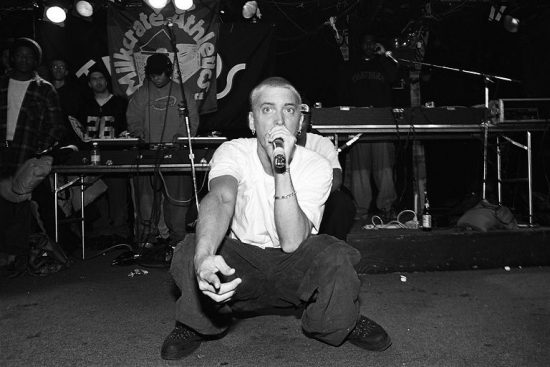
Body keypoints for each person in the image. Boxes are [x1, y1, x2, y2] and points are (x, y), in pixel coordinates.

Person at [160, 77, 391, 360]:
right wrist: (203, 258)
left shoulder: (316, 165)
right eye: (267, 109)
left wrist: (281, 166)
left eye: (289, 110)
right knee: (189, 249)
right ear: (252, 121)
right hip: (240, 269)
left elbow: (293, 241)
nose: (279, 120)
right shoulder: (233, 151)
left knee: (335, 255)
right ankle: (196, 323)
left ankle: (338, 321)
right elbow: (221, 198)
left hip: (293, 268)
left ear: (300, 121)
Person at [0, 37, 64, 273]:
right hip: (3, 153)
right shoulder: (2, 84)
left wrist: (40, 150)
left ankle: (24, 256)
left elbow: (56, 125)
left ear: (35, 60)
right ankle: (6, 256)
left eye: (29, 56)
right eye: (20, 55)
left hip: (27, 154)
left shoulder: (44, 88)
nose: (24, 59)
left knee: (25, 206)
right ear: (11, 57)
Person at [126, 52, 199, 247]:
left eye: (160, 74)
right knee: (145, 200)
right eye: (152, 75)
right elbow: (133, 119)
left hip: (175, 153)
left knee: (177, 201)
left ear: (169, 72)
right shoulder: (142, 94)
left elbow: (192, 120)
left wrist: (182, 135)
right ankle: (146, 240)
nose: (156, 78)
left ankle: (178, 241)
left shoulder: (183, 93)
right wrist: (139, 132)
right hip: (148, 153)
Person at [339, 32, 399, 220]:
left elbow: (395, 76)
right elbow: (343, 91)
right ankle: (361, 209)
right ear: (360, 46)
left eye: (372, 42)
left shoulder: (383, 63)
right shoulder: (352, 66)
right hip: (358, 123)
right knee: (359, 171)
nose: (369, 46)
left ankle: (387, 206)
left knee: (385, 169)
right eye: (365, 43)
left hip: (382, 122)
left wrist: (384, 55)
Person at [82, 64, 131, 246]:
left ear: (107, 81)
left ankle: (120, 231)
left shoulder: (119, 103)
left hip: (115, 154)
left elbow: (128, 127)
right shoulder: (85, 105)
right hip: (91, 155)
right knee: (95, 195)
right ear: (89, 83)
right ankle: (100, 231)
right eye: (94, 79)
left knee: (118, 194)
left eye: (101, 78)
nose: (98, 82)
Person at [296, 103, 356, 239]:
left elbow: (336, 179)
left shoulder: (321, 143)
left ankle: (333, 247)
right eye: (294, 116)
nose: (298, 123)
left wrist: (310, 198)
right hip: (284, 201)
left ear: (309, 121)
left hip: (314, 198)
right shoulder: (275, 141)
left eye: (302, 118)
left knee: (341, 202)